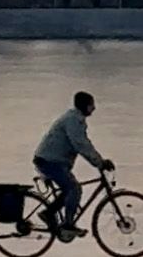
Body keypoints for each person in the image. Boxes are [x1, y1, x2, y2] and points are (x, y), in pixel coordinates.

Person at [33, 91, 114, 237]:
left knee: (68, 189)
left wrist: (99, 161)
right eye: (91, 105)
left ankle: (48, 213)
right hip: (49, 162)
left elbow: (84, 144)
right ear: (85, 106)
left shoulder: (75, 119)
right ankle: (68, 224)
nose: (94, 108)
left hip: (51, 161)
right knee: (74, 189)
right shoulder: (73, 121)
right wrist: (100, 163)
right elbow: (81, 144)